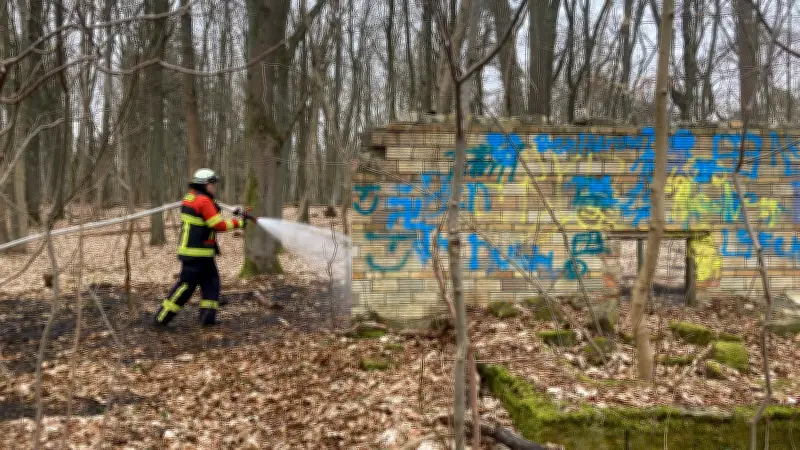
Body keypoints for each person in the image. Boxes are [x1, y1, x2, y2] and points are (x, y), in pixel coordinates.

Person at [153, 168, 254, 328]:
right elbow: (217, 225)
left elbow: (208, 211)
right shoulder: (203, 201)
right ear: (204, 184)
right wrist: (240, 223)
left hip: (202, 253)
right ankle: (161, 318)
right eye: (212, 183)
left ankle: (207, 319)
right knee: (186, 286)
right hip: (196, 253)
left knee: (211, 284)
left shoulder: (191, 197)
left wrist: (228, 210)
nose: (214, 187)